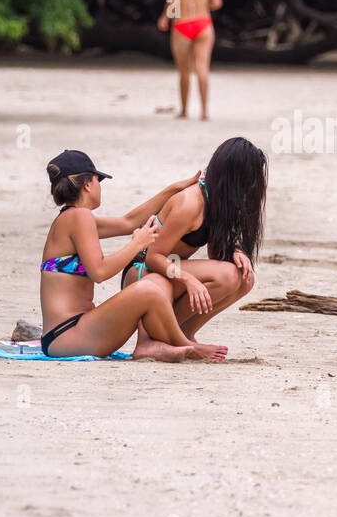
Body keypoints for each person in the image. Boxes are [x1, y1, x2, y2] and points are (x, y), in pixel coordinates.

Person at [39, 149, 227, 361]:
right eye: (98, 180)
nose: (100, 186)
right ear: (88, 184)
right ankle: (185, 344)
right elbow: (99, 272)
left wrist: (173, 189)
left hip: (73, 331)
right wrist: (137, 245)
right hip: (67, 336)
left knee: (151, 287)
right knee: (149, 288)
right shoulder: (79, 217)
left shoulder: (73, 218)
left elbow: (129, 222)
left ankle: (156, 345)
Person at [121, 137, 266, 347]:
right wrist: (188, 279)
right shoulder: (190, 204)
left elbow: (215, 255)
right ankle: (159, 334)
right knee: (228, 275)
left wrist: (235, 250)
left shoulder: (216, 199)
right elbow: (154, 257)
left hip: (168, 270)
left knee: (244, 279)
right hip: (142, 271)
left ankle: (183, 333)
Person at [156, 0, 222, 120]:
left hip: (182, 25)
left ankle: (185, 111)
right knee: (202, 68)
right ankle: (204, 111)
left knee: (184, 71)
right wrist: (202, 5)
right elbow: (217, 3)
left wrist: (165, 18)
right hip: (203, 24)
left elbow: (174, 1)